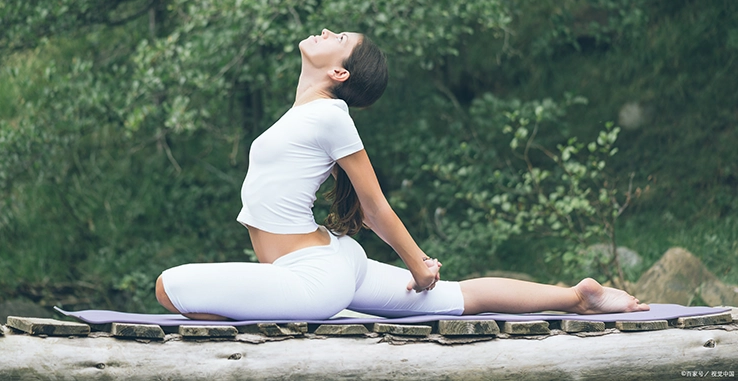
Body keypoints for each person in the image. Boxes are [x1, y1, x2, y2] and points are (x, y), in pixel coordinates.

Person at [155, 28, 649, 321]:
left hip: (314, 278)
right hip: (323, 265)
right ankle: (577, 296)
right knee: (459, 297)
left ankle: (323, 310)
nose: (327, 33)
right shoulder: (305, 115)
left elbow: (374, 208)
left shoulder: (330, 115)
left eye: (339, 39)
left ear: (340, 73)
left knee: (168, 287)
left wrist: (417, 264)